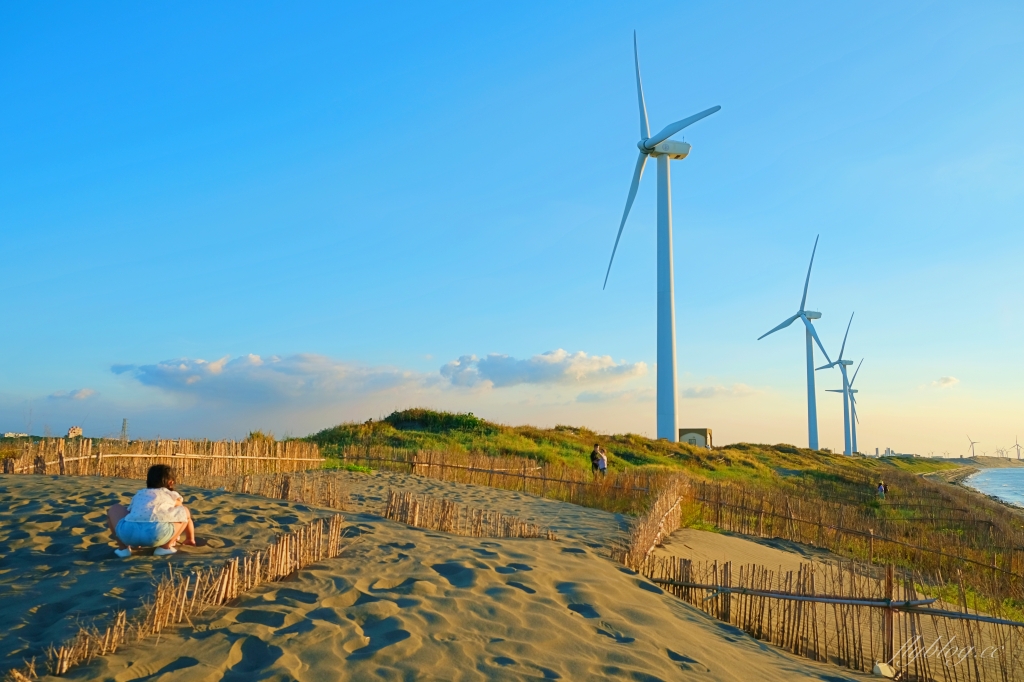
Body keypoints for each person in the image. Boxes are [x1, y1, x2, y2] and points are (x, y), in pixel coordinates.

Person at [107, 464, 196, 558]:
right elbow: (182, 515)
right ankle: (165, 548)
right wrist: (190, 538)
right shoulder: (171, 495)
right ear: (171, 482)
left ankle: (123, 548)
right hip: (157, 534)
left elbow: (130, 512)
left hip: (128, 534)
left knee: (114, 508)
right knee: (184, 511)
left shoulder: (140, 493)